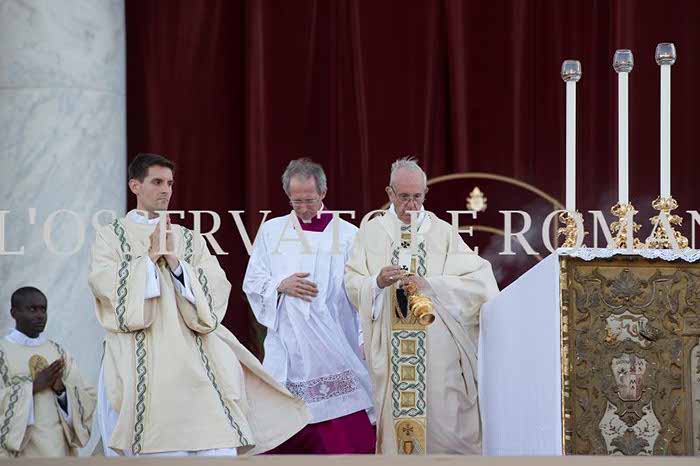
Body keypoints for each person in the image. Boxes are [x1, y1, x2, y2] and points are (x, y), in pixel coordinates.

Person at [88, 153, 310, 457]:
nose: (166, 190)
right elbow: (104, 284)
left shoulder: (189, 239)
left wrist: (176, 263)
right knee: (158, 447)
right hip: (142, 351)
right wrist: (150, 259)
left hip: (197, 352)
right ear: (135, 186)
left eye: (169, 183)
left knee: (218, 446)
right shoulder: (111, 237)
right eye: (157, 182)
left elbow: (216, 288)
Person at [344, 157, 499, 454]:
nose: (411, 205)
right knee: (400, 431)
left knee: (450, 428)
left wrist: (431, 284)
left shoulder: (443, 233)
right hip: (392, 348)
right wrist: (376, 282)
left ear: (426, 193)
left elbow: (481, 281)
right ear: (389, 193)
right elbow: (352, 282)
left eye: (417, 196)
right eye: (404, 197)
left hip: (438, 348)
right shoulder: (371, 233)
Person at [243, 158, 375, 454]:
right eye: (296, 201)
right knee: (282, 430)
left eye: (309, 200)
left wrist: (363, 336)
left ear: (323, 193)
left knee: (341, 438)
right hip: (288, 344)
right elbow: (253, 281)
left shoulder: (348, 235)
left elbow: (359, 290)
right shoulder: (272, 232)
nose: (303, 208)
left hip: (333, 342)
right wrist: (280, 285)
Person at [0, 287, 96, 457]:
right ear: (14, 313)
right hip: (20, 454)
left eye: (43, 309)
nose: (40, 315)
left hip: (59, 449)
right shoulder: (3, 353)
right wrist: (33, 387)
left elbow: (87, 396)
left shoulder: (58, 352)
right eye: (32, 309)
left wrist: (61, 391)